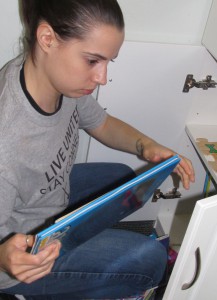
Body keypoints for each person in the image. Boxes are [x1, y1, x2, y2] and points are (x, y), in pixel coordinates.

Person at [0, 0, 195, 299]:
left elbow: (101, 123)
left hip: (44, 201)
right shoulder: (7, 141)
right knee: (150, 258)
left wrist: (147, 146)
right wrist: (3, 258)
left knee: (123, 177)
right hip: (23, 258)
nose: (102, 77)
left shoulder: (50, 76)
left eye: (107, 63)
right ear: (47, 38)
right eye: (92, 61)